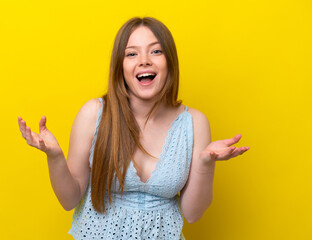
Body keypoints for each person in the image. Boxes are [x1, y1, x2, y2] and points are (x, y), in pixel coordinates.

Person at [18, 17, 249, 240]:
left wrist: (205, 164)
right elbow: (69, 200)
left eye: (156, 51)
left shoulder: (195, 123)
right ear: (121, 66)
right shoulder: (94, 114)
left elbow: (193, 214)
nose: (145, 60)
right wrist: (55, 157)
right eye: (131, 53)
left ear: (170, 61)